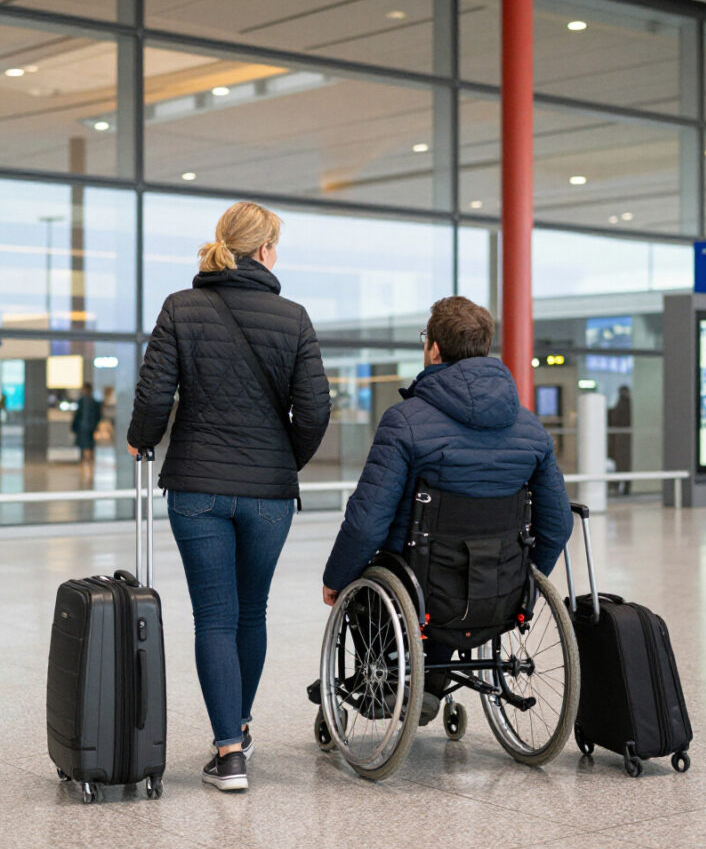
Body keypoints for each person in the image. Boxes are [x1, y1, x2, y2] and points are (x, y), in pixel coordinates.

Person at [127, 201, 330, 793]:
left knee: (214, 616)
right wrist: (284, 460)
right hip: (267, 492)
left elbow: (154, 393)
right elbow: (315, 410)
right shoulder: (293, 318)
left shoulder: (180, 307)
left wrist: (142, 441)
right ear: (265, 252)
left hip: (197, 486)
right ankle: (240, 723)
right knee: (252, 611)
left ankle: (229, 752)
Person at [322, 296, 573, 721]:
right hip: (498, 590)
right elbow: (558, 524)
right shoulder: (531, 429)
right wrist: (523, 580)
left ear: (435, 349)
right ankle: (433, 684)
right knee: (444, 578)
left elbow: (366, 524)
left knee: (378, 578)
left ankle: (385, 685)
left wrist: (336, 578)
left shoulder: (405, 421)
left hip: (422, 590)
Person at [608, 385, 632, 495]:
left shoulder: (625, 404)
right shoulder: (623, 404)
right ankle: (621, 485)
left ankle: (623, 485)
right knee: (622, 464)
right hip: (620, 439)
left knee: (624, 464)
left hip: (624, 439)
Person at [71, 383, 101, 467]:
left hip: (89, 427)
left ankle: (89, 461)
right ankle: (84, 461)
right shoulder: (81, 402)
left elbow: (98, 415)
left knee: (89, 445)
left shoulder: (94, 402)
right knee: (83, 445)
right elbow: (77, 415)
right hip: (82, 427)